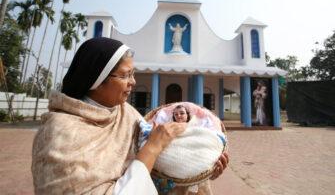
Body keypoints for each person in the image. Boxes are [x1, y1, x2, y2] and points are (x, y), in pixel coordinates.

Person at [31, 37, 228, 194]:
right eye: (125, 75)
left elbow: (161, 171)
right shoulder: (60, 132)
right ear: (97, 80)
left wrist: (199, 171)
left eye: (133, 74)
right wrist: (153, 147)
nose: (133, 82)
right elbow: (149, 155)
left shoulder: (126, 113)